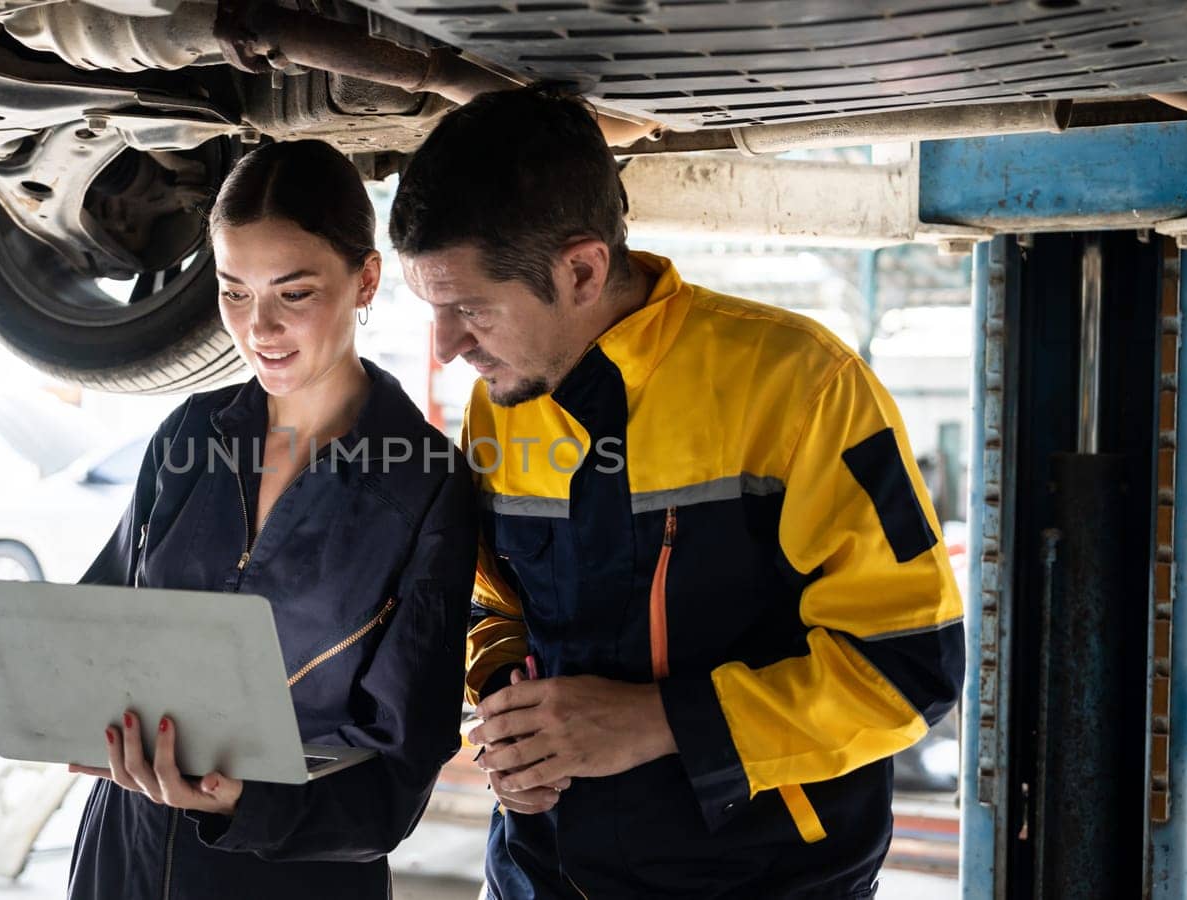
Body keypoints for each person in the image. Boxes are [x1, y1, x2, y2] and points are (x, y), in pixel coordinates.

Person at [390, 87, 965, 899]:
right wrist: (509, 716)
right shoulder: (506, 402)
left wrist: (657, 723)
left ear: (582, 269)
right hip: (539, 874)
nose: (447, 347)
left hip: (765, 880)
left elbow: (908, 669)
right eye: (432, 310)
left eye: (470, 309)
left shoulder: (800, 389)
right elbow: (496, 609)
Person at [66, 139, 477, 899]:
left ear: (367, 280)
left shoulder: (425, 484)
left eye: (293, 293)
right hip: (126, 854)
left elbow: (398, 777)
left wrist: (248, 803)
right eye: (233, 291)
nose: (259, 328)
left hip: (291, 874)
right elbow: (99, 628)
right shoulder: (190, 433)